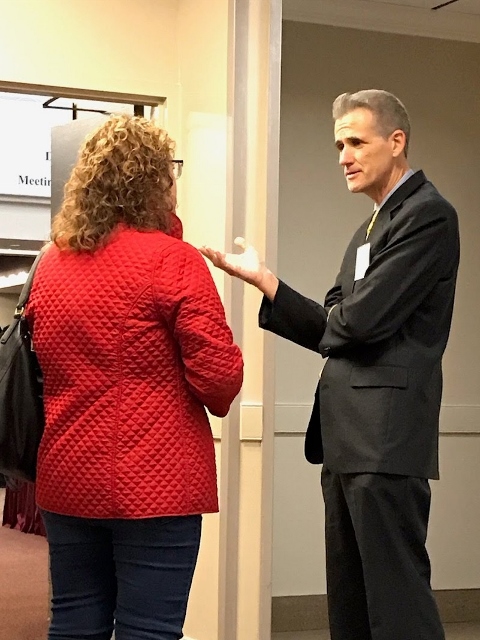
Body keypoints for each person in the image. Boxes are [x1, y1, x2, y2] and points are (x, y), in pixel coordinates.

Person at [200, 90, 460, 640]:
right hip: (350, 438)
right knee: (350, 601)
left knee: (396, 604)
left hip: (385, 442)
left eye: (357, 141)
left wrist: (270, 284)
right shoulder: (371, 226)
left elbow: (354, 323)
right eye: (339, 143)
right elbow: (338, 317)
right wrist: (314, 304)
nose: (344, 154)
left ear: (397, 142)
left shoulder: (428, 216)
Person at [26, 113, 243, 640]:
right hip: (155, 485)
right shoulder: (174, 261)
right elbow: (219, 380)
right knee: (150, 629)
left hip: (68, 478)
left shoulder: (50, 264)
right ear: (154, 180)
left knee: (74, 622)